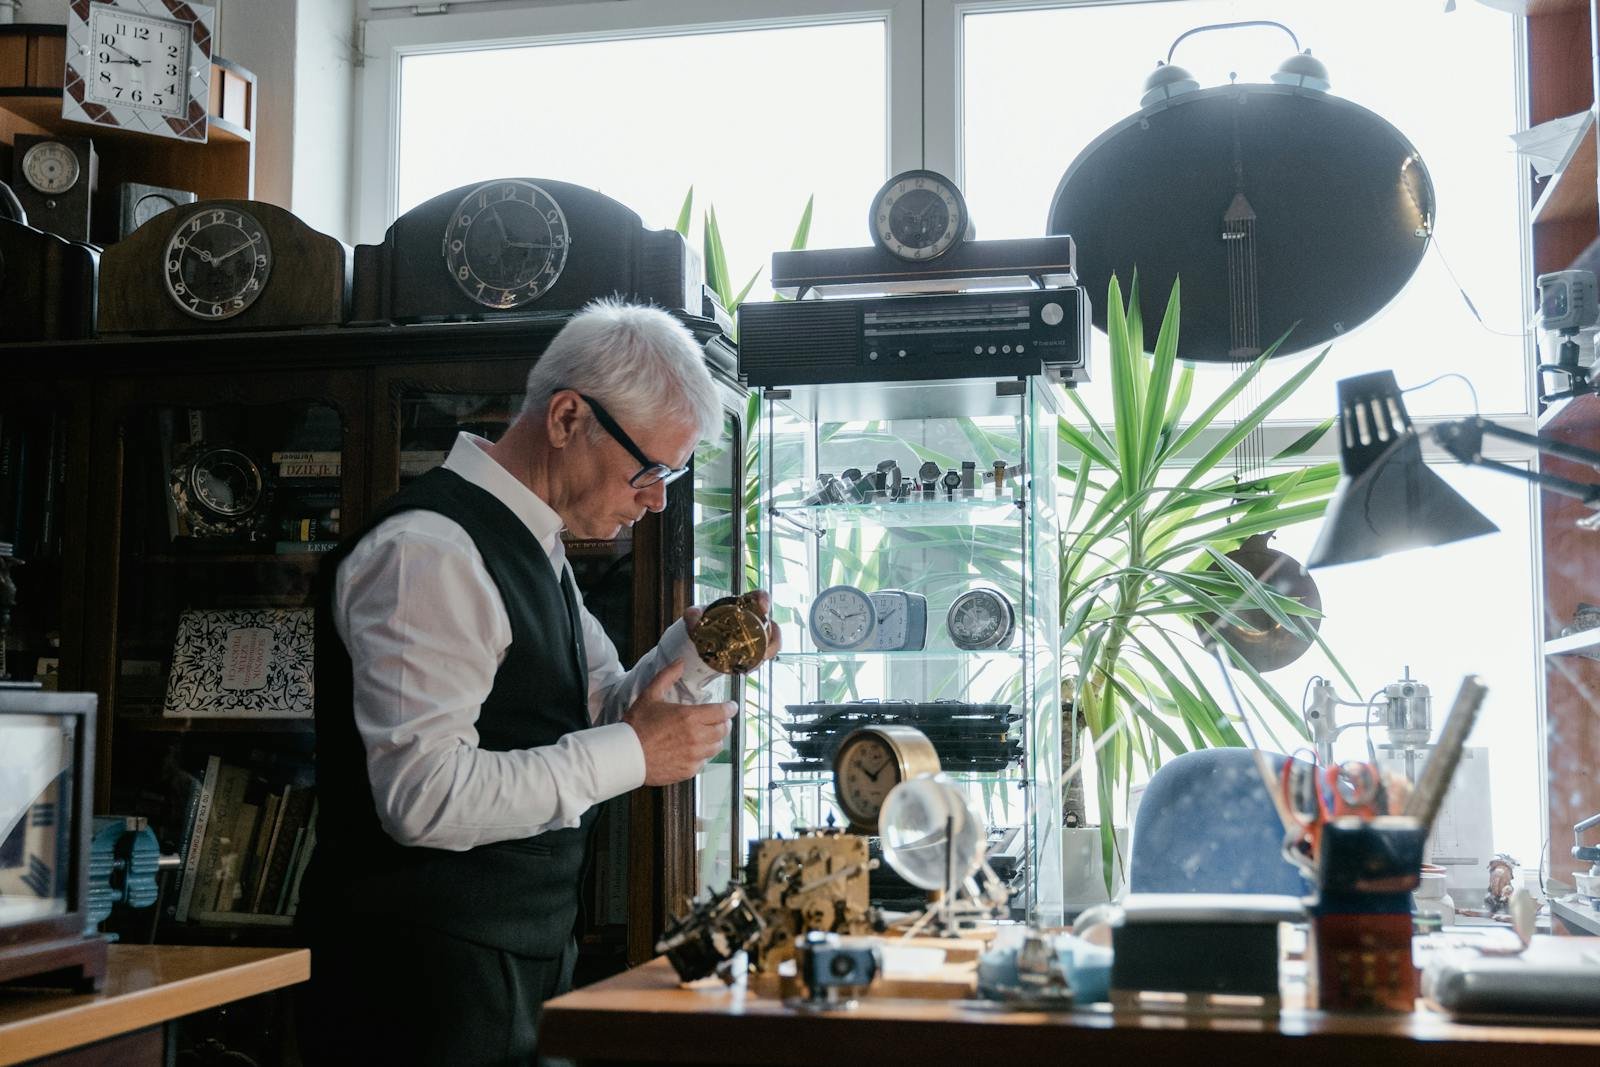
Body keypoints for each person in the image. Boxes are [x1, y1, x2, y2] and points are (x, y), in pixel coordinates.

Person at [296, 298, 779, 1066]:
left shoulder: (536, 546)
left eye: (672, 475)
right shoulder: (431, 552)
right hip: (418, 986)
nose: (656, 498)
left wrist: (698, 652)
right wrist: (632, 753)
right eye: (649, 469)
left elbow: (603, 709)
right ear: (565, 419)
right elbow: (424, 797)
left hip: (510, 958)